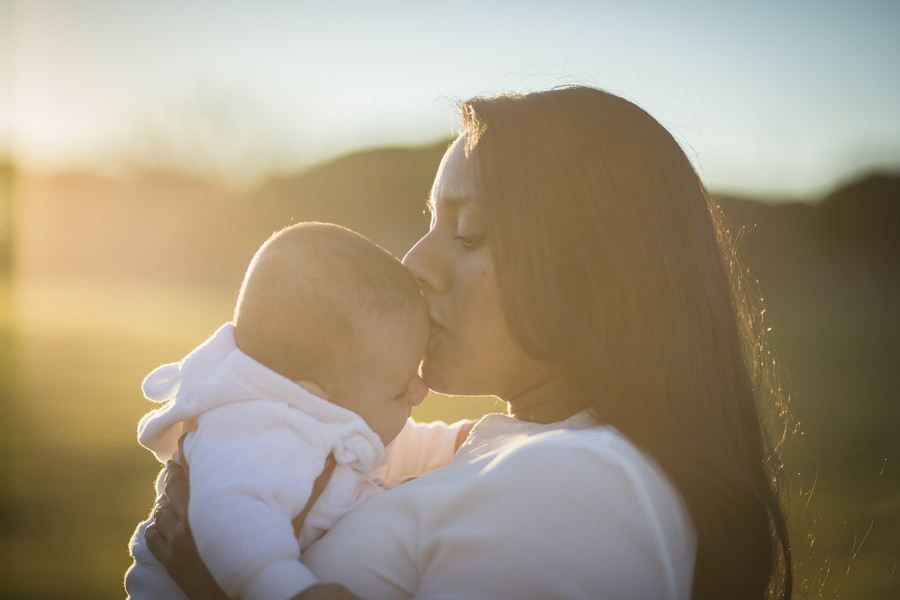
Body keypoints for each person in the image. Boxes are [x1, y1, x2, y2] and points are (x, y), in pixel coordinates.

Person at [144, 86, 793, 600]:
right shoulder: (511, 449)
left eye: (470, 231)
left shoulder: (580, 488)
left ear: (596, 271)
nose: (414, 263)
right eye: (430, 223)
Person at [125, 222, 472, 600]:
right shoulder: (253, 431)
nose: (420, 390)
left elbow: (383, 446)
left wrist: (457, 441)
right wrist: (293, 591)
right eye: (399, 390)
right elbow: (235, 520)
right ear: (314, 399)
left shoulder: (314, 416)